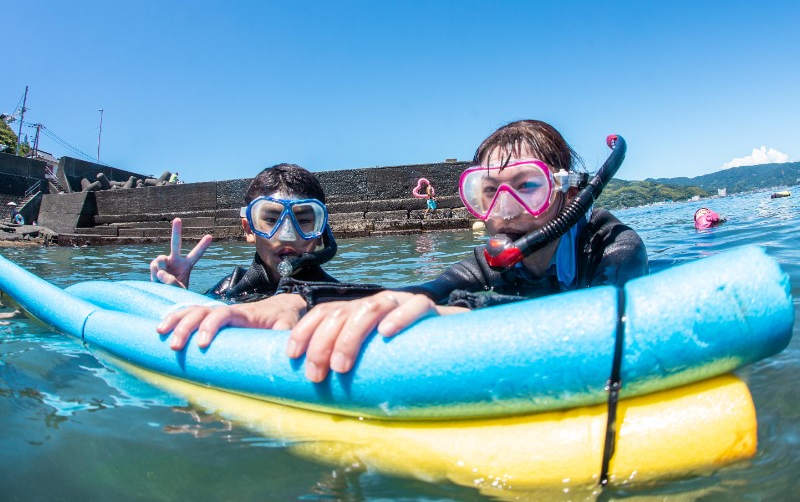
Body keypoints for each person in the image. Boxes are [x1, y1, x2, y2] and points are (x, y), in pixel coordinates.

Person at [160, 120, 648, 384]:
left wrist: (455, 312)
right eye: (488, 192)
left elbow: (600, 321)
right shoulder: (482, 266)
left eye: (528, 187)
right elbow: (409, 293)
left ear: (567, 193)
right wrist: (296, 300)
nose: (505, 209)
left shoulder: (611, 246)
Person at [154, 163, 342, 350]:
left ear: (320, 233)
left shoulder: (338, 295)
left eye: (303, 221)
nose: (287, 235)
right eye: (270, 220)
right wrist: (177, 295)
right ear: (249, 230)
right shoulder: (229, 287)